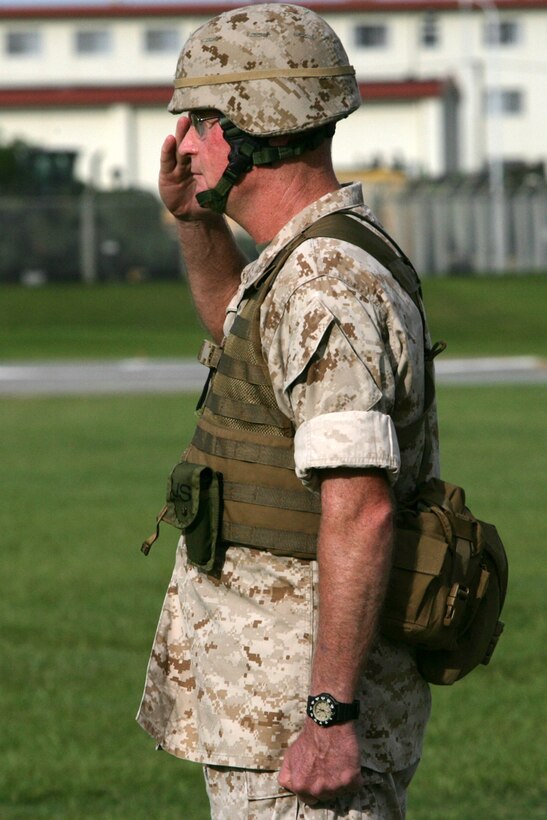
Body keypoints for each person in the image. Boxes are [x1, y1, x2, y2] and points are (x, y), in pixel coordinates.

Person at [137, 4, 440, 818]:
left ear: (261, 123)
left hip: (297, 719)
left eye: (203, 119)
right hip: (267, 706)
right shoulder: (299, 266)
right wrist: (196, 223)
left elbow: (361, 509)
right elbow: (242, 333)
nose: (183, 140)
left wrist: (329, 718)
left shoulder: (323, 283)